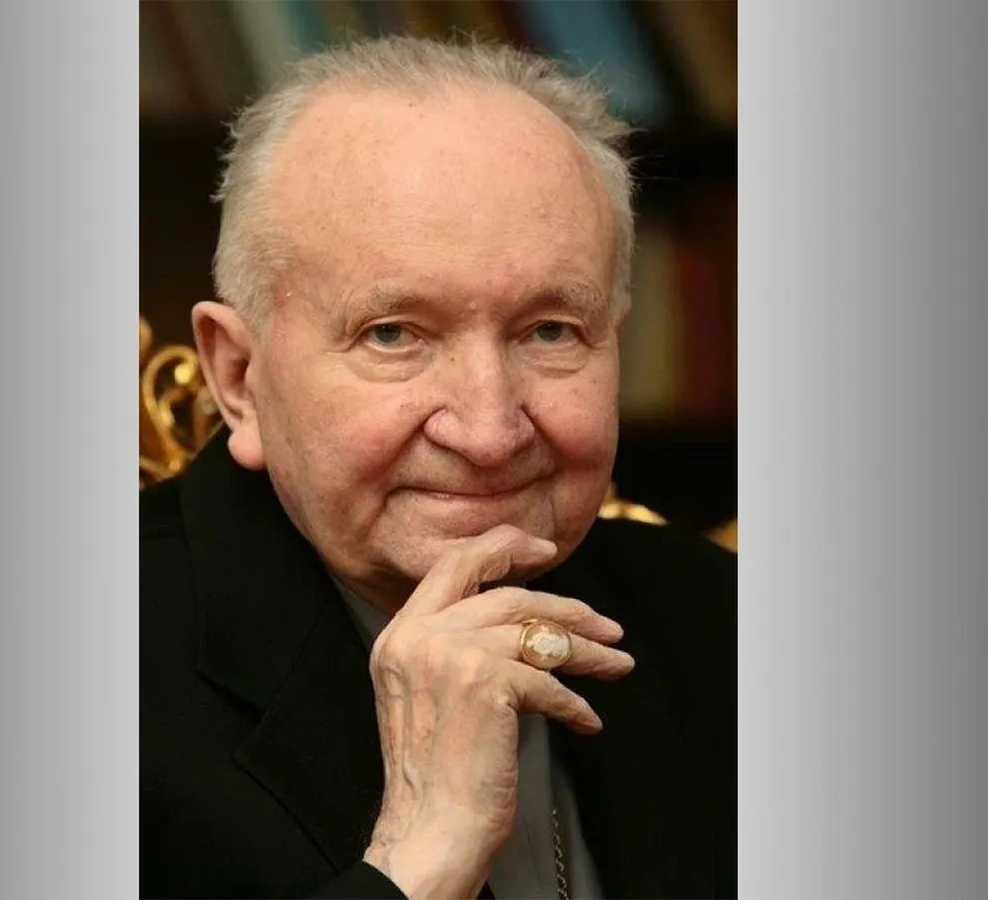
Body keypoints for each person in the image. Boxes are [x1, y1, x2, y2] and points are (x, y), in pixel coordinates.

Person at [141, 36, 735, 899]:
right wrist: (418, 860)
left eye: (550, 331)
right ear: (239, 379)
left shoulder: (719, 623)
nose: (489, 433)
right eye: (394, 335)